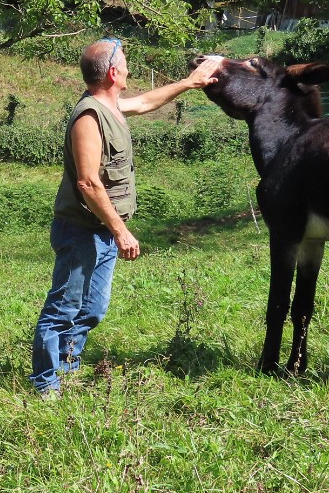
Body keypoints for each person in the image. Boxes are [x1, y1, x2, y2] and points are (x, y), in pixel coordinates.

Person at [29, 38, 223, 395]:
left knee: (92, 310)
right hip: (82, 232)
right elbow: (88, 183)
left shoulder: (111, 106)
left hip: (99, 231)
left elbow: (147, 101)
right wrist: (121, 231)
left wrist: (190, 83)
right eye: (127, 62)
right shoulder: (89, 117)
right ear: (114, 72)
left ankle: (68, 372)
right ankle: (46, 386)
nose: (131, 68)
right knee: (64, 309)